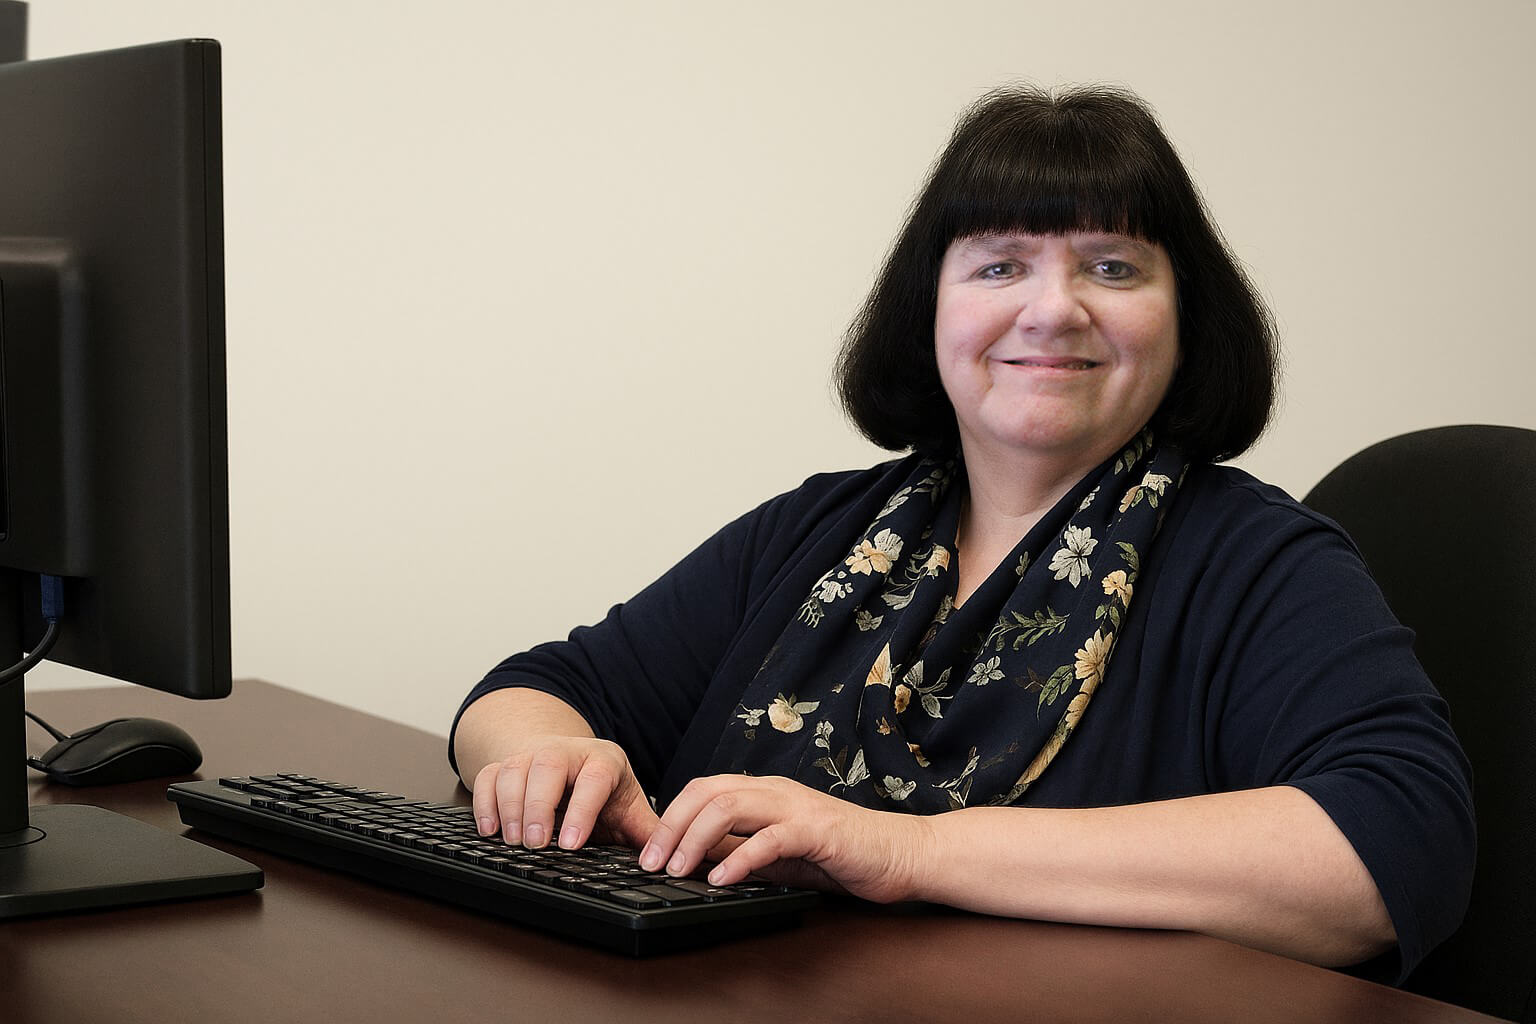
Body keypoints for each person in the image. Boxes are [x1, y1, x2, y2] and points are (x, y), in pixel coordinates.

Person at [450, 85, 1473, 981]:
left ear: (1184, 317)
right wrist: (544, 761)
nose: (1052, 309)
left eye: (1112, 268)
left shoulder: (1258, 564)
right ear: (930, 307)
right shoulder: (823, 530)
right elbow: (537, 687)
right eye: (999, 267)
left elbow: (1391, 848)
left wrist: (901, 851)